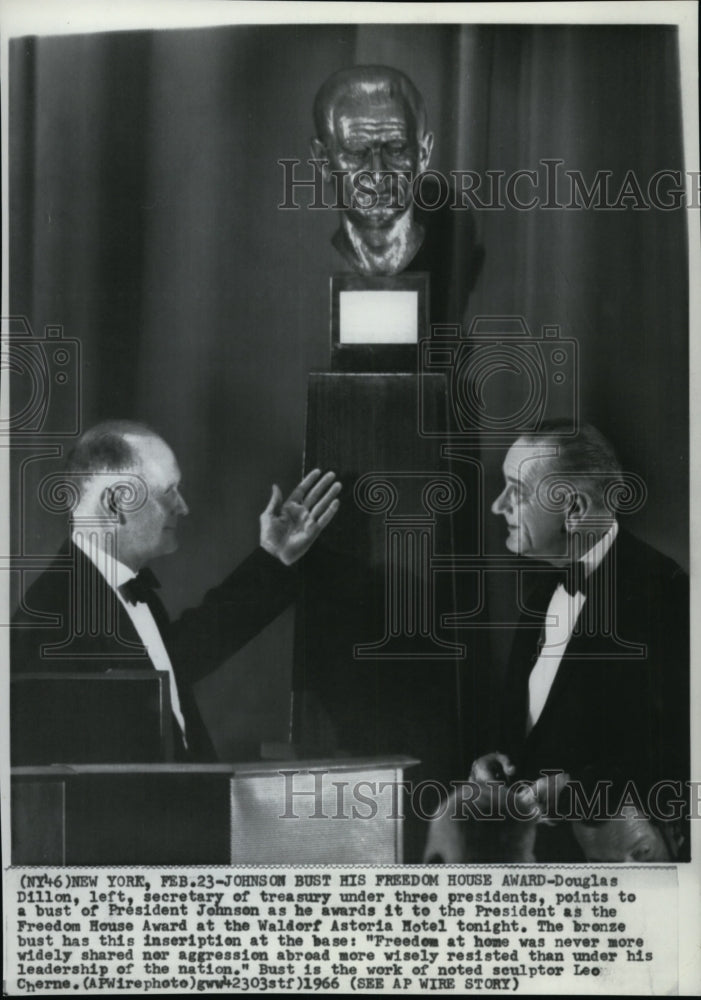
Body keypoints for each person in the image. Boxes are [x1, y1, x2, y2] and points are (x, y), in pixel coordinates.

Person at [426, 420, 688, 862]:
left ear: (574, 509)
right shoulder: (541, 595)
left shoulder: (666, 594)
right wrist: (494, 765)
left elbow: (679, 754)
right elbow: (534, 733)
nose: (497, 506)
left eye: (517, 491)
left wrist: (581, 791)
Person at [11, 420, 341, 761]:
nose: (182, 507)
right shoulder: (49, 619)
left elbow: (187, 651)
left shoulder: (129, 590)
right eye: (168, 491)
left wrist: (274, 557)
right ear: (115, 504)